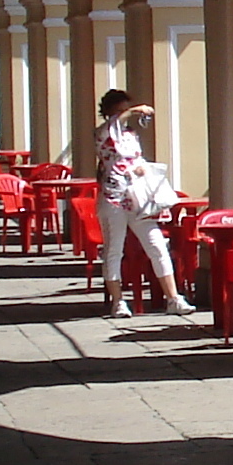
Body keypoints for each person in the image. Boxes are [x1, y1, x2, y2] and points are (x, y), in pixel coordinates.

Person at [93, 89, 192, 320]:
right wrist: (131, 111)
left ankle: (173, 297)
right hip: (113, 198)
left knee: (156, 245)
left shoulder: (131, 135)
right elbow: (112, 138)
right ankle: (118, 301)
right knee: (114, 249)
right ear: (108, 112)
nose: (125, 116)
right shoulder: (103, 133)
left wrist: (143, 169)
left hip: (138, 198)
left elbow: (134, 158)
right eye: (119, 111)